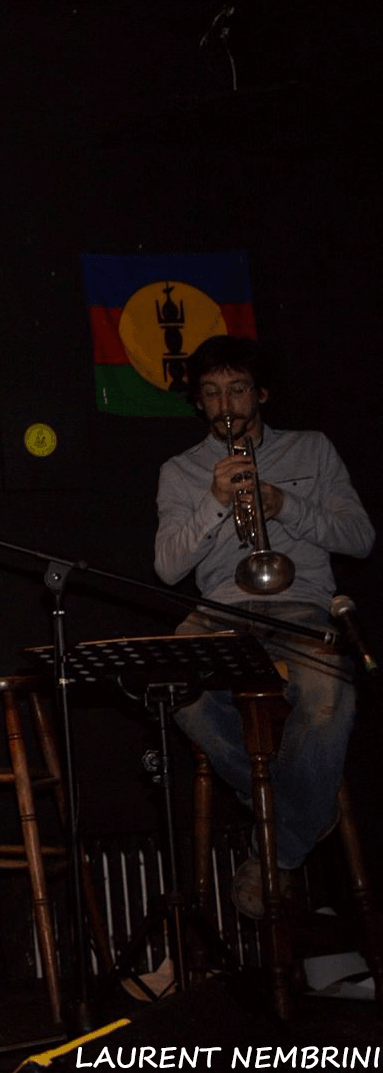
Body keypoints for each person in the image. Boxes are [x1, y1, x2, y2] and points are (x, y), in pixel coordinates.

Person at [153, 334, 375, 919]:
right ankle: (301, 803)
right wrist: (214, 501)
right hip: (221, 611)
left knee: (328, 698)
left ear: (262, 394)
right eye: (211, 393)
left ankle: (277, 845)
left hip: (302, 605)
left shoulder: (313, 450)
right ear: (198, 403)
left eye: (237, 389)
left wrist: (287, 506)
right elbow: (167, 567)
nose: (225, 404)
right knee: (173, 683)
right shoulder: (179, 471)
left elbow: (360, 538)